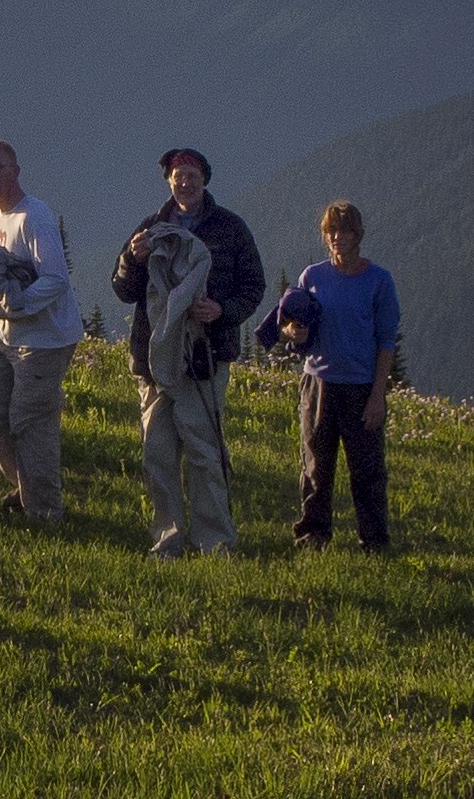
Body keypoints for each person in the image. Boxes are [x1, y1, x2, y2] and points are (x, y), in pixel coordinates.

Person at [111, 148, 263, 559]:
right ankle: (169, 540)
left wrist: (221, 312)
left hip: (204, 358)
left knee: (203, 451)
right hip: (154, 362)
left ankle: (215, 543)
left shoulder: (231, 229)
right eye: (178, 175)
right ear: (169, 181)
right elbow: (123, 290)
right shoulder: (150, 229)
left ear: (205, 180)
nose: (185, 182)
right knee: (157, 453)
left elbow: (253, 286)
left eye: (192, 175)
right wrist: (131, 259)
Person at [260, 200, 401, 553]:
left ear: (358, 235)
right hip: (317, 384)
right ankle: (313, 535)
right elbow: (296, 324)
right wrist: (293, 332)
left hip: (361, 385)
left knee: (367, 471)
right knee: (315, 466)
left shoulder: (379, 281)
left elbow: (386, 341)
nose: (338, 237)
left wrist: (378, 395)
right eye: (332, 231)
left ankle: (374, 541)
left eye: (345, 230)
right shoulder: (313, 276)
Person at [0, 141, 77, 525]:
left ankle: (46, 515)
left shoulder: (34, 216)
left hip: (45, 339)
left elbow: (56, 280)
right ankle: (28, 489)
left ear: (16, 170)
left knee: (31, 422)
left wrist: (15, 304)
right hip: (7, 335)